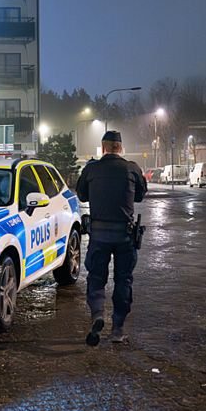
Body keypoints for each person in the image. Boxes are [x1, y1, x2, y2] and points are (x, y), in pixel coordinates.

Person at [75, 130, 147, 346]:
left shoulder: (92, 169)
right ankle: (118, 329)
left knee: (96, 278)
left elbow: (81, 195)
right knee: (123, 279)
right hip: (125, 236)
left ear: (103, 147)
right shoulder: (132, 168)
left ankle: (97, 316)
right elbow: (141, 195)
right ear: (120, 148)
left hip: (99, 234)